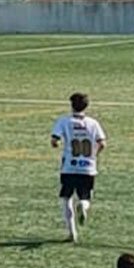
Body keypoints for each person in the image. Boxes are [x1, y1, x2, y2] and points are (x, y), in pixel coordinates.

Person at [50, 93, 107, 243]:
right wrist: (93, 156)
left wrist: (57, 144)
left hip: (69, 166)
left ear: (71, 105)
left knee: (66, 198)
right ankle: (83, 205)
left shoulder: (64, 121)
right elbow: (102, 143)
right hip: (88, 167)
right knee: (86, 196)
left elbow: (54, 140)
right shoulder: (93, 123)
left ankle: (72, 232)